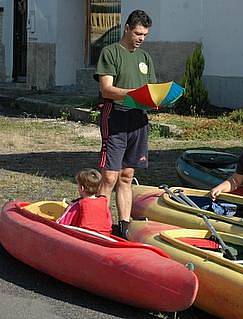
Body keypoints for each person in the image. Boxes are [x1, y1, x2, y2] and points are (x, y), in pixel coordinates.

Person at [94, 10, 156, 238]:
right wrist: (132, 94)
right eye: (138, 33)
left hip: (138, 119)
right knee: (110, 175)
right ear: (127, 28)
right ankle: (97, 221)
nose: (141, 38)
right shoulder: (110, 52)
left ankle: (124, 225)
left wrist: (158, 100)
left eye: (145, 35)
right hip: (116, 115)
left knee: (127, 175)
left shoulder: (145, 58)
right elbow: (106, 89)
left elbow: (150, 91)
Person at [57, 169, 112, 236]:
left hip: (85, 236)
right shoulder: (103, 203)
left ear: (82, 188)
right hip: (104, 236)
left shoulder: (79, 204)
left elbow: (63, 223)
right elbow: (109, 223)